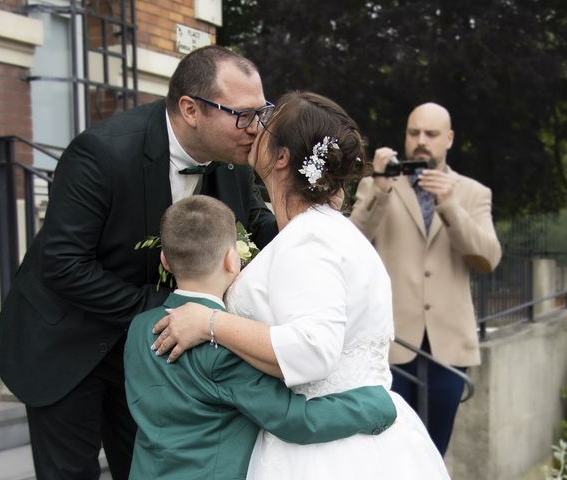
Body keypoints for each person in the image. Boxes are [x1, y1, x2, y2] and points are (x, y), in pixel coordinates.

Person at [0, 45, 281, 479]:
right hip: (66, 344)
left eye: (262, 113)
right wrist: (167, 309)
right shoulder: (101, 153)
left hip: (146, 352)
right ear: (190, 109)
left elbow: (257, 226)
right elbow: (64, 264)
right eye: (242, 115)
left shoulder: (233, 163)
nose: (257, 129)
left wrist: (312, 234)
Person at [151, 91, 450, 479]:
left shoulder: (309, 241)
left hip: (324, 453)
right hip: (353, 436)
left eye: (266, 125)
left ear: (281, 158)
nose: (254, 128)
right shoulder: (328, 231)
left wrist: (209, 323)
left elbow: (312, 350)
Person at [124, 194, 397, 479]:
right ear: (232, 260)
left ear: (165, 260)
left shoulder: (139, 328)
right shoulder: (225, 347)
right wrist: (374, 405)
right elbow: (295, 420)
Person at [349, 102, 502, 455]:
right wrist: (380, 189)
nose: (420, 141)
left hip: (448, 346)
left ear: (448, 139)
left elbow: (487, 258)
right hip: (391, 341)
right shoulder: (379, 185)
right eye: (413, 132)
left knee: (434, 451)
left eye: (431, 134)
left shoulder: (473, 193)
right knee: (389, 450)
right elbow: (352, 242)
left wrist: (449, 204)